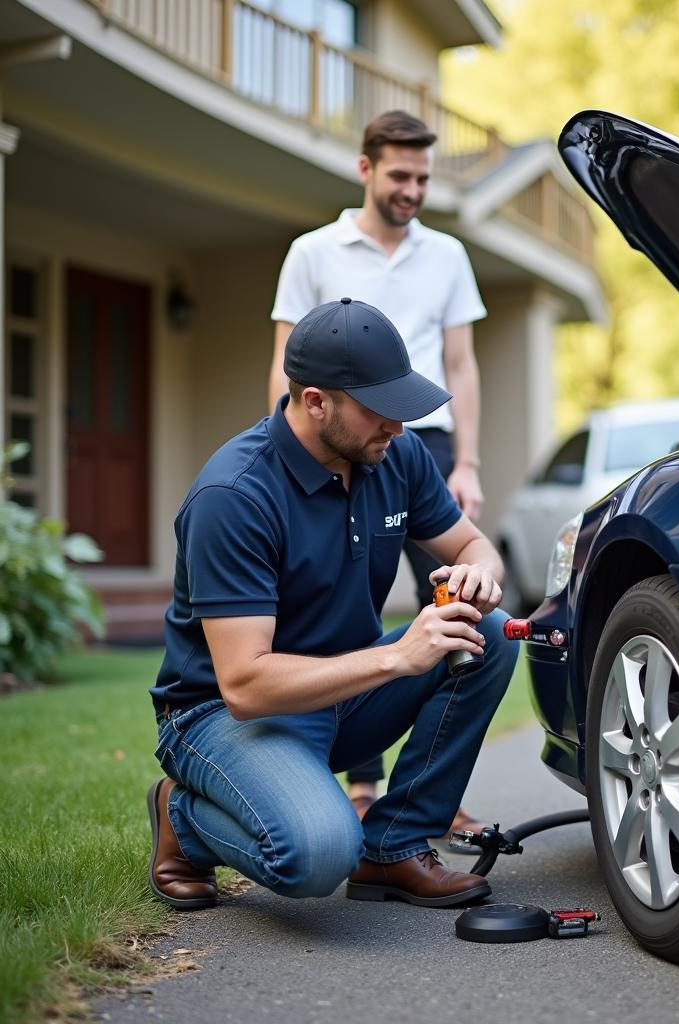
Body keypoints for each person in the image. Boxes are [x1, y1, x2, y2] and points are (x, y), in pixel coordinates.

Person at [147, 298, 517, 910]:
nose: (397, 427)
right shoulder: (234, 495)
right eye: (380, 411)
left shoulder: (392, 454)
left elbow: (474, 543)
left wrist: (479, 576)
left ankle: (393, 847)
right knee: (316, 858)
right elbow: (244, 685)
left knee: (491, 632)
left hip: (340, 694)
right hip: (222, 716)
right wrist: (399, 657)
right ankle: (180, 815)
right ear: (316, 401)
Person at [268, 110, 488, 831]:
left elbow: (461, 363)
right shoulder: (312, 251)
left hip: (425, 442)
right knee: (352, 601)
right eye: (400, 175)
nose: (412, 190)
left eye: (423, 178)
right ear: (366, 169)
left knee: (464, 604)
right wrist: (285, 452)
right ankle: (362, 784)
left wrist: (469, 464)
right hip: (336, 441)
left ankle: (425, 795)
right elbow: (286, 363)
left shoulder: (447, 255)